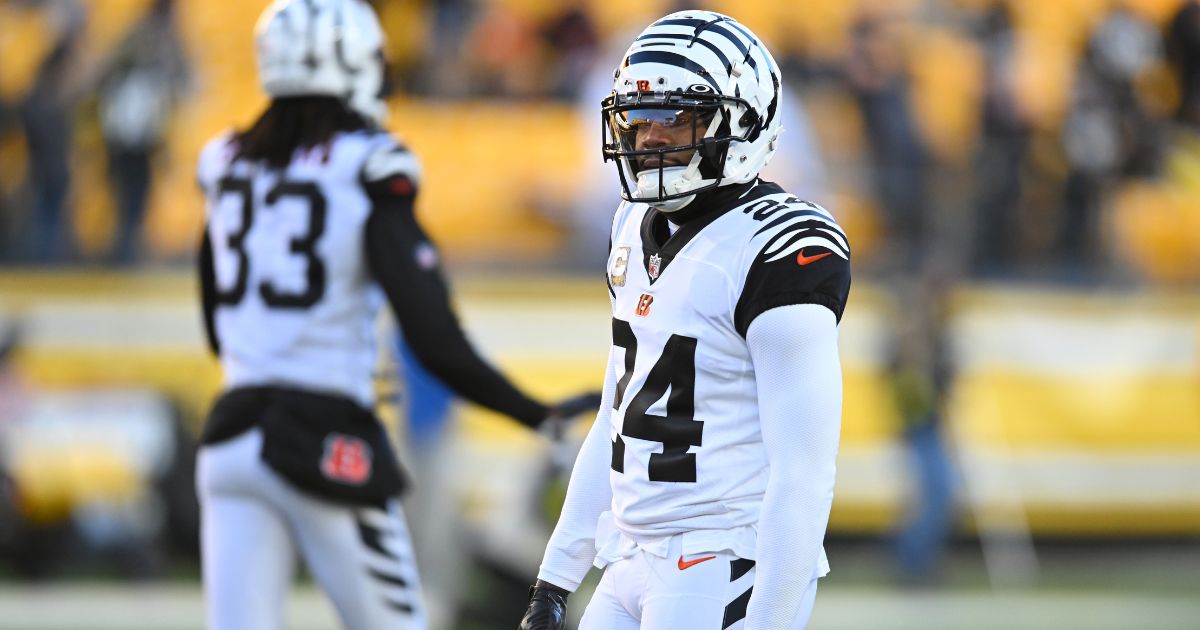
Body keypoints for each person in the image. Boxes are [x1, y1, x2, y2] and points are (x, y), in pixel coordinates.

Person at [194, 2, 597, 628]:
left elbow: (217, 318)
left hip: (228, 438)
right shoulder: (368, 164)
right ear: (355, 64)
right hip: (321, 435)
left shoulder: (224, 161)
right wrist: (534, 412)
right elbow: (434, 336)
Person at [519, 10, 851, 630]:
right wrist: (556, 576)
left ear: (742, 121)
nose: (647, 139)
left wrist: (770, 619)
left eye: (673, 119)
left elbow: (803, 470)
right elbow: (617, 417)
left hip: (724, 553)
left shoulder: (781, 247)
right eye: (638, 119)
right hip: (630, 553)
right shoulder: (630, 224)